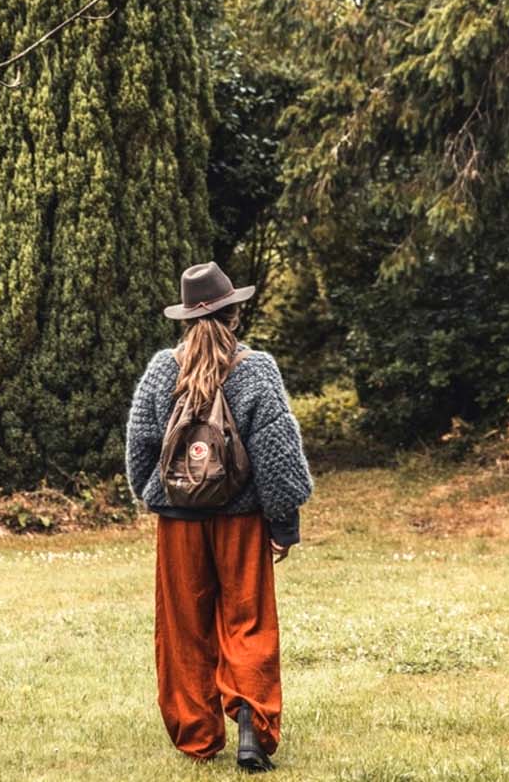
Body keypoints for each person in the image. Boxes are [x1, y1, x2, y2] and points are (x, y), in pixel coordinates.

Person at [126, 261, 313, 773]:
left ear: (186, 317)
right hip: (242, 519)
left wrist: (155, 496)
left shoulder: (164, 369)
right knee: (247, 621)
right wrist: (283, 523)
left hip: (178, 520)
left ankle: (198, 736)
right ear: (234, 313)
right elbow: (277, 451)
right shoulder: (257, 369)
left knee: (184, 628)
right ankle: (252, 725)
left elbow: (140, 446)